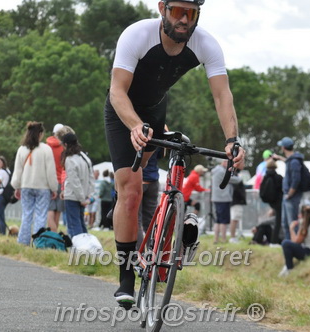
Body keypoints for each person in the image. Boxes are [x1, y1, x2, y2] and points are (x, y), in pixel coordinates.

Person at [104, 0, 244, 308]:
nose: (183, 19)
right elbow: (117, 90)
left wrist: (232, 139)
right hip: (122, 111)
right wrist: (134, 126)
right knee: (130, 191)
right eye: (177, 11)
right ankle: (126, 277)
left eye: (190, 13)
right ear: (161, 9)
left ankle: (169, 230)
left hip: (155, 112)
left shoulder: (205, 43)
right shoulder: (137, 35)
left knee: (176, 165)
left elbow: (222, 94)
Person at [11, 121, 58, 246]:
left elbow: (18, 170)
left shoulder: (22, 149)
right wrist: (54, 188)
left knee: (26, 215)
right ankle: (38, 242)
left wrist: (17, 186)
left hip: (26, 186)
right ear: (40, 134)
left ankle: (22, 241)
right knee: (41, 216)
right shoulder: (46, 149)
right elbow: (50, 171)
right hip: (43, 187)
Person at [278, 205, 310, 277]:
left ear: (301, 215)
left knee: (286, 244)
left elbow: (296, 242)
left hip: (309, 252)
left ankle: (289, 268)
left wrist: (291, 229)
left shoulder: (304, 225)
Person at [60, 133, 95, 238]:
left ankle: (78, 248)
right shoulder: (84, 157)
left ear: (66, 144)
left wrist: (81, 199)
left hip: (73, 196)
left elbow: (74, 182)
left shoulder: (69, 159)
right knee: (81, 223)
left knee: (73, 225)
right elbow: (91, 177)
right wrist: (89, 195)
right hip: (84, 195)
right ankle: (86, 245)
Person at [278, 137, 305, 241]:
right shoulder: (291, 160)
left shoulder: (294, 161)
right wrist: (280, 158)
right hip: (288, 196)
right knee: (285, 223)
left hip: (291, 197)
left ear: (283, 147)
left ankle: (294, 243)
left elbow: (296, 179)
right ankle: (288, 243)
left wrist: (290, 194)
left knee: (292, 223)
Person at [211, 160, 242, 244]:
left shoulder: (215, 170)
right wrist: (240, 176)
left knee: (217, 220)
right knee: (223, 220)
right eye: (228, 162)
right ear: (224, 162)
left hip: (216, 198)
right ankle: (224, 239)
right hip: (223, 198)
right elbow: (235, 180)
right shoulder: (222, 171)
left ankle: (216, 239)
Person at [46, 123, 65, 232]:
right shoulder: (64, 147)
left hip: (49, 181)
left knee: (49, 209)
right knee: (58, 211)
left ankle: (52, 235)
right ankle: (54, 235)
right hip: (61, 181)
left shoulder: (46, 146)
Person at [259, 159, 283, 244]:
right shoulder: (279, 177)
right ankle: (274, 241)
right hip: (279, 202)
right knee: (278, 222)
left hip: (270, 203)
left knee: (275, 221)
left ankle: (273, 241)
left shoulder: (265, 177)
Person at [229, 167, 246, 243]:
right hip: (236, 201)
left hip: (235, 200)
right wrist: (242, 197)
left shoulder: (234, 176)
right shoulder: (234, 177)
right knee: (234, 219)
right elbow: (237, 190)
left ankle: (233, 237)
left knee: (235, 219)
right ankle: (233, 237)